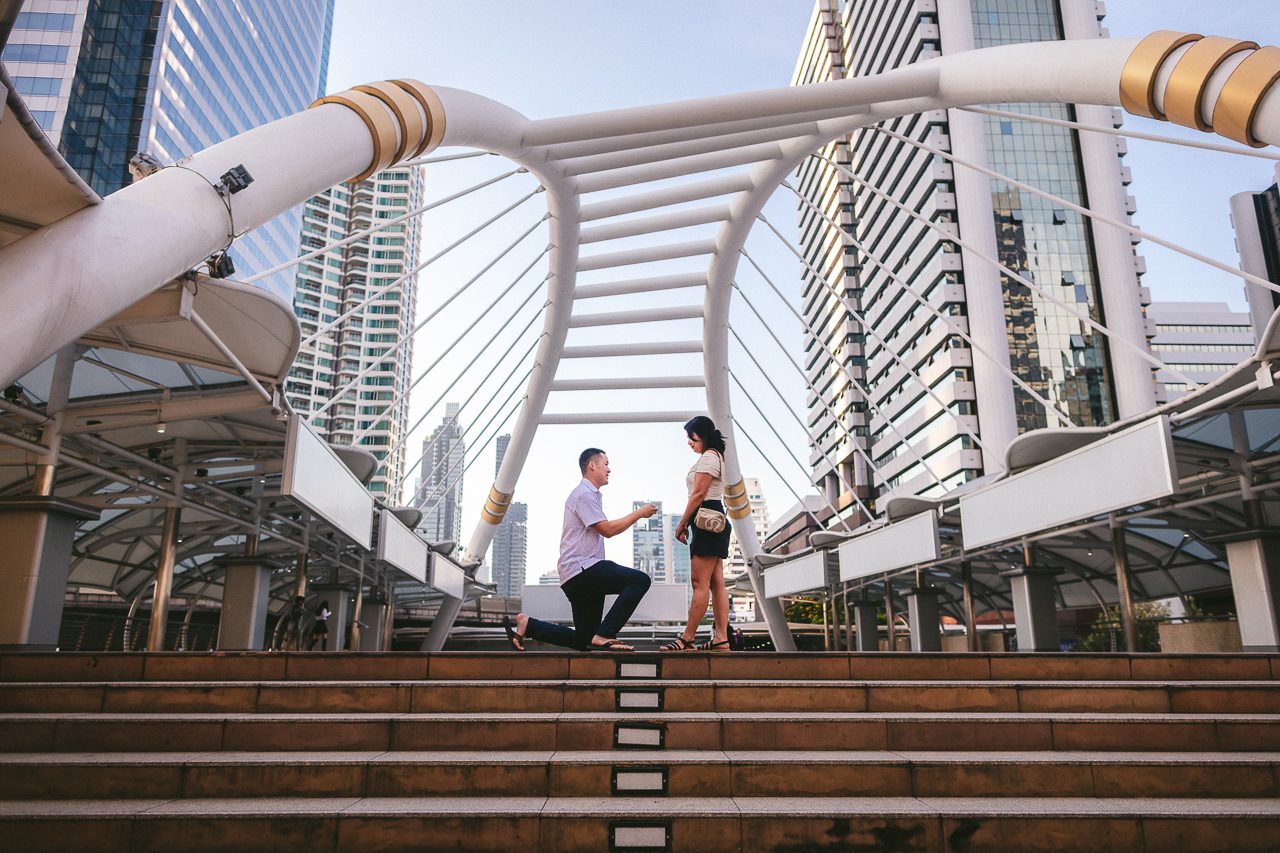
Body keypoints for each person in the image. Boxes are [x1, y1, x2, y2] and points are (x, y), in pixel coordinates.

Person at [505, 448, 655, 651]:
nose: (609, 469)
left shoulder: (589, 495)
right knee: (639, 580)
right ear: (592, 465)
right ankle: (606, 633)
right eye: (606, 464)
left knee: (584, 639)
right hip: (583, 568)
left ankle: (528, 625)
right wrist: (639, 513)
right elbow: (607, 530)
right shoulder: (584, 494)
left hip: (575, 575)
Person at [664, 416, 732, 652]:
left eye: (691, 437)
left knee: (699, 583)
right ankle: (721, 638)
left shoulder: (709, 457)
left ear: (701, 435)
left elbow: (698, 494)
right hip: (713, 519)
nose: (689, 442)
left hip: (706, 519)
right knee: (716, 583)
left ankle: (688, 638)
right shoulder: (715, 456)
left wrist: (682, 523)